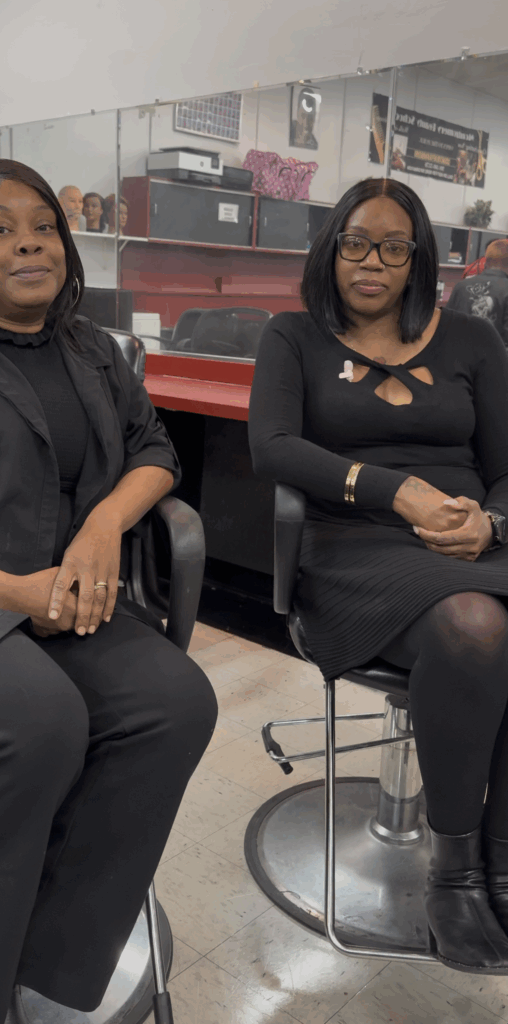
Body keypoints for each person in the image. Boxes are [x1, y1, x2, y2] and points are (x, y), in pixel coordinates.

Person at [0, 158, 217, 1024]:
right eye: (0, 227)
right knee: (36, 717)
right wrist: (8, 591)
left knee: (176, 701)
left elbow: (155, 451)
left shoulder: (93, 352)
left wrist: (103, 523)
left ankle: (37, 956)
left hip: (62, 600)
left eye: (43, 225)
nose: (30, 239)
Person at [249, 176, 508, 976]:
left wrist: (489, 522)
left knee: (486, 615)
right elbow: (275, 448)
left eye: (395, 247)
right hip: (351, 544)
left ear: (419, 259)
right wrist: (399, 491)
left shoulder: (474, 341)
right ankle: (457, 874)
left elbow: (504, 470)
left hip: (469, 543)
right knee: (476, 627)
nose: (373, 262)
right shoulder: (291, 337)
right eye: (355, 242)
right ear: (331, 250)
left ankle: (503, 860)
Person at [447, 239, 508, 348]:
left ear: (486, 260)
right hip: (495, 361)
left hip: (458, 358)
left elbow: (446, 326)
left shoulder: (461, 287)